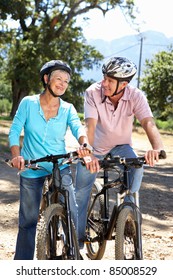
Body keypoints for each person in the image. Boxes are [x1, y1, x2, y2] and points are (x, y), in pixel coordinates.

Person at [75, 56, 164, 250]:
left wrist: (157, 148)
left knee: (136, 166)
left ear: (123, 84)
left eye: (109, 80)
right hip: (95, 147)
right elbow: (90, 125)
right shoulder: (93, 92)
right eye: (104, 77)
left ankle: (127, 210)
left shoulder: (136, 95)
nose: (104, 83)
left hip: (121, 146)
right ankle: (78, 242)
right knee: (80, 192)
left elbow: (148, 122)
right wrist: (88, 152)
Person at [8, 59, 92, 260]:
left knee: (70, 206)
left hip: (59, 165)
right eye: (58, 78)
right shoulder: (28, 103)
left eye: (66, 81)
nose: (62, 83)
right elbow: (14, 131)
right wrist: (16, 155)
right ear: (46, 79)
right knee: (28, 221)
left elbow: (78, 128)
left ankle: (73, 252)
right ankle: (22, 265)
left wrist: (85, 144)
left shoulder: (68, 108)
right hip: (32, 167)